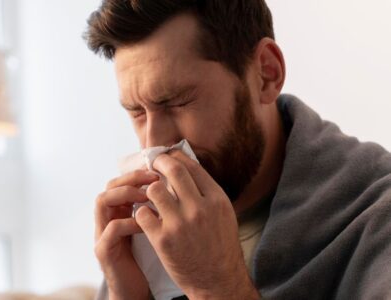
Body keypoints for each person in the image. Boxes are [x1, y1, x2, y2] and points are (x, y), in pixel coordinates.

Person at [84, 1, 391, 299]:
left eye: (178, 102)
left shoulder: (377, 216)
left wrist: (218, 288)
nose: (153, 143)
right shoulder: (146, 236)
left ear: (266, 74)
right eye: (137, 112)